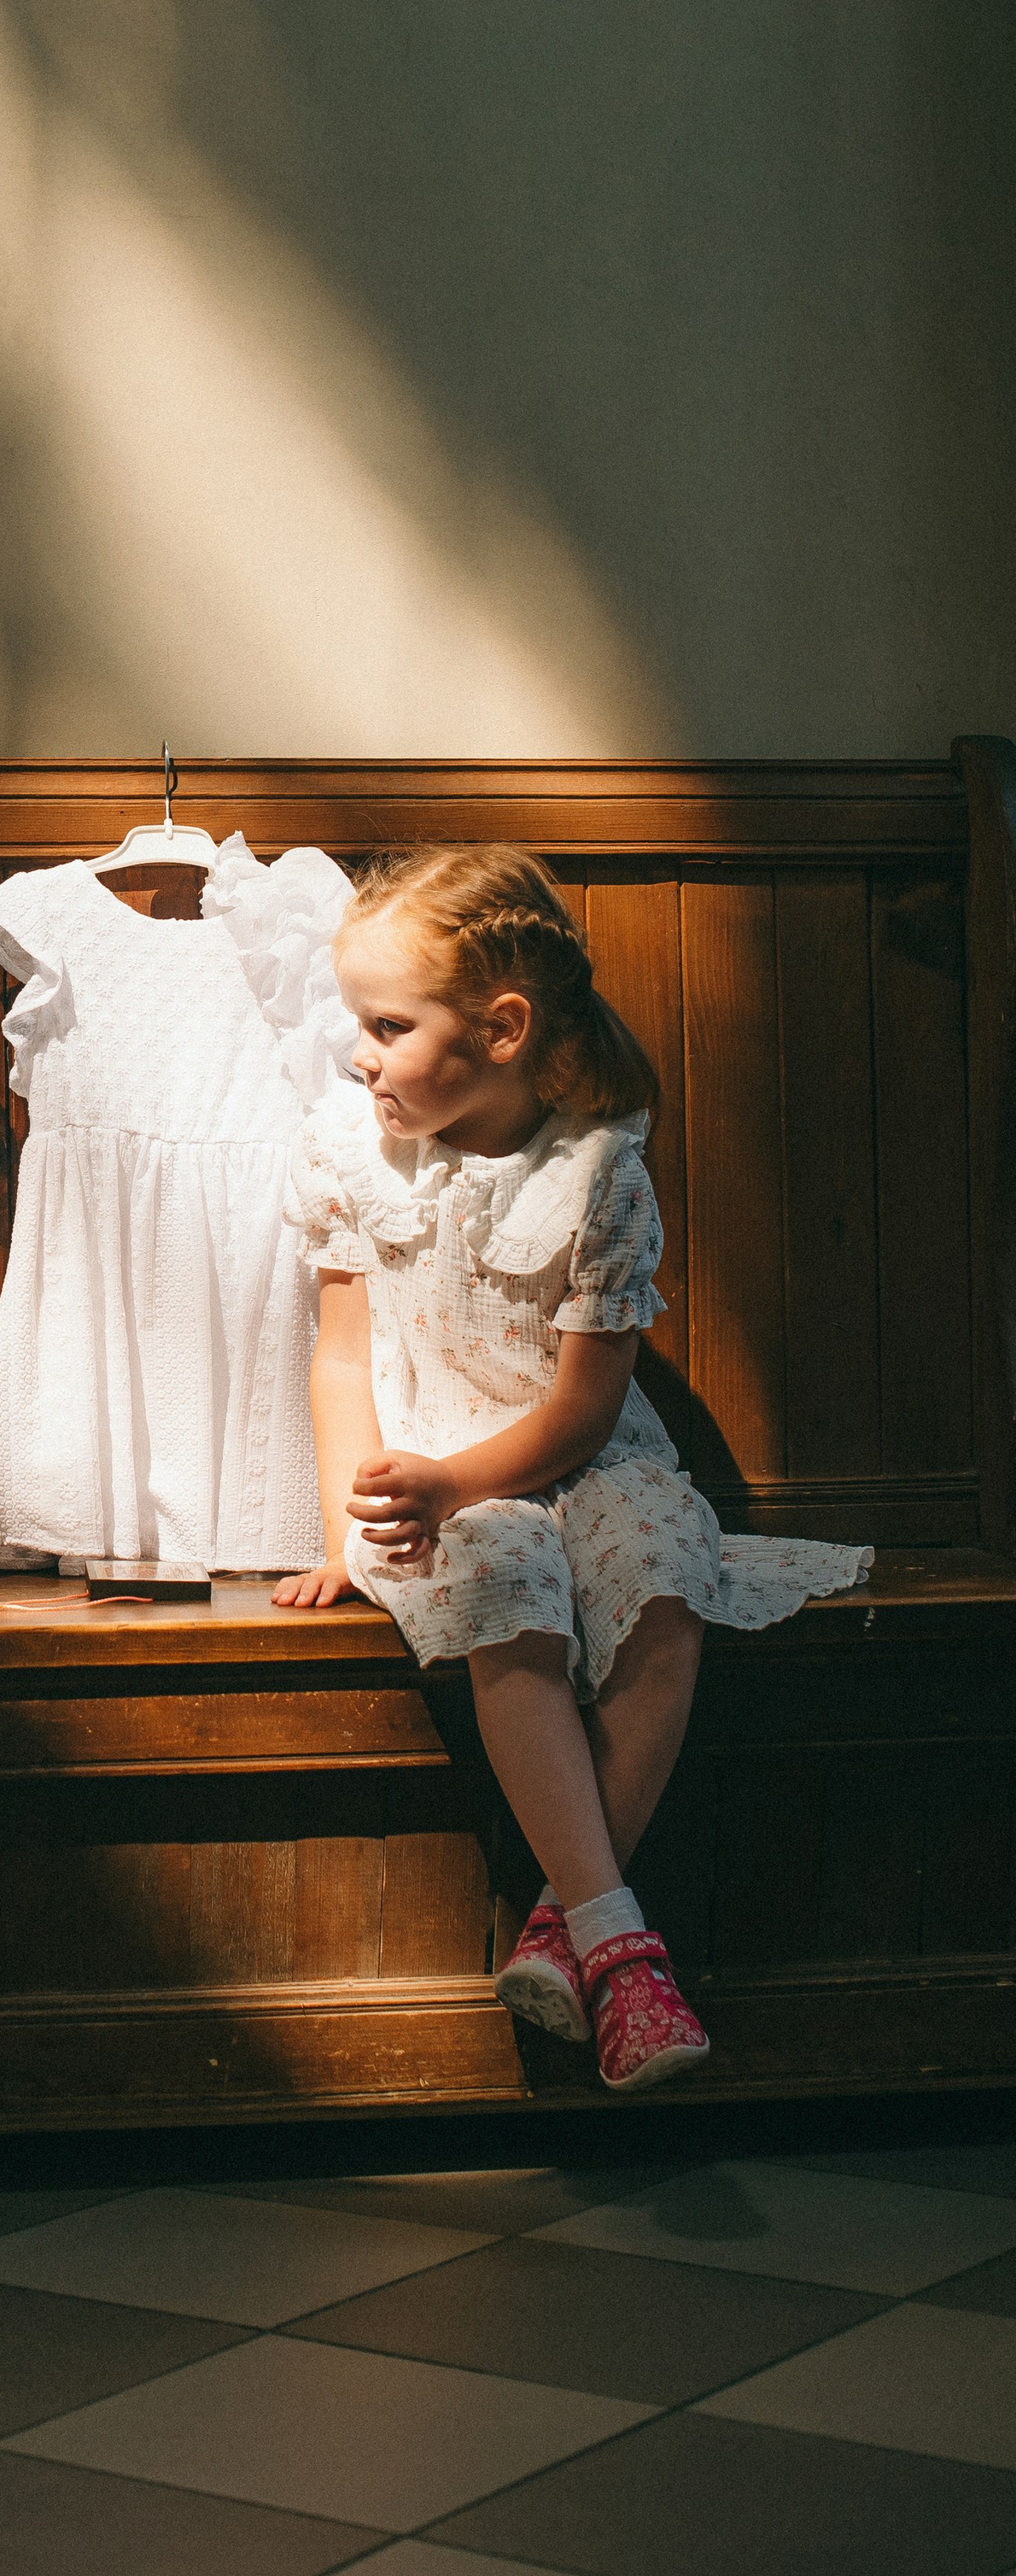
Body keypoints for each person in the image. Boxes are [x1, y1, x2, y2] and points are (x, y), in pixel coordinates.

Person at [273, 848, 871, 2090]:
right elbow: (344, 1360)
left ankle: (571, 1919)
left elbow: (585, 1410)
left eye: (389, 1025)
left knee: (663, 1569)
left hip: (581, 1453)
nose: (359, 1053)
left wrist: (459, 1477)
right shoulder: (348, 1152)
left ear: (502, 1027)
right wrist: (352, 1526)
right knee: (508, 1578)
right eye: (358, 1025)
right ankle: (624, 1948)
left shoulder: (600, 1169)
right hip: (443, 1466)